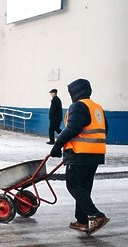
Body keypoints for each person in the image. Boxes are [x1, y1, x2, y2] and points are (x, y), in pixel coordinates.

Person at [50, 78, 109, 236]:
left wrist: (57, 146)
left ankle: (96, 215)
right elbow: (105, 128)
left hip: (80, 154)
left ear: (75, 92)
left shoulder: (78, 106)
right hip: (95, 154)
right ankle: (82, 220)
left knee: (73, 185)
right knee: (84, 187)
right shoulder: (96, 108)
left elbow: (72, 129)